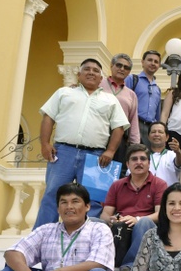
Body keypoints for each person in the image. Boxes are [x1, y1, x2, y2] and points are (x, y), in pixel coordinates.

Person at [34, 58, 129, 228]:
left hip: (97, 156)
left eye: (95, 70)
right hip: (63, 153)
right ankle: (41, 236)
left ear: (101, 78)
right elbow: (48, 117)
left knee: (93, 199)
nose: (91, 72)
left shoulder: (110, 100)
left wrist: (110, 151)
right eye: (87, 69)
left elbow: (119, 128)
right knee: (53, 194)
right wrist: (45, 144)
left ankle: (88, 236)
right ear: (79, 75)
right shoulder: (64, 93)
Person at [101, 144, 168, 271]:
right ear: (127, 164)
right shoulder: (117, 185)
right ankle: (96, 266)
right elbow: (105, 213)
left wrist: (137, 219)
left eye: (143, 159)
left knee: (144, 222)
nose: (139, 162)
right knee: (95, 222)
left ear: (149, 163)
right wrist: (112, 219)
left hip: (146, 228)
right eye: (134, 159)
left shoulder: (159, 184)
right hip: (121, 227)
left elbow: (160, 214)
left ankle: (128, 270)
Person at [100, 53, 140, 171]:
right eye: (119, 65)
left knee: (115, 175)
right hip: (97, 135)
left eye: (126, 67)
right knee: (94, 174)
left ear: (129, 72)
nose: (122, 69)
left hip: (120, 139)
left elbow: (133, 121)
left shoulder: (131, 94)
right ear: (112, 66)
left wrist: (135, 146)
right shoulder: (98, 84)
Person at [125, 50, 162, 148]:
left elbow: (157, 115)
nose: (153, 63)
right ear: (142, 62)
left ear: (159, 65)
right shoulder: (132, 79)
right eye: (150, 60)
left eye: (156, 61)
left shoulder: (157, 89)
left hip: (149, 129)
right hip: (133, 124)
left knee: (145, 159)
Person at [147, 121, 181, 186]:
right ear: (148, 137)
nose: (156, 134)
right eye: (153, 132)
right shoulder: (143, 156)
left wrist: (178, 151)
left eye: (160, 132)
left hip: (169, 194)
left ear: (167, 137)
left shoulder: (172, 155)